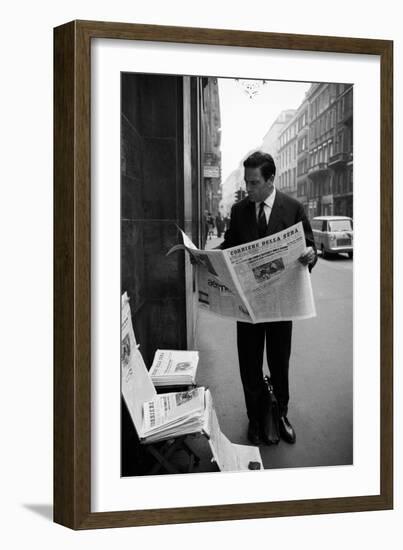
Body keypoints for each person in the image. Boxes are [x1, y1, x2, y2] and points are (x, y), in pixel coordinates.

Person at [220, 151, 317, 446]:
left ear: (270, 179)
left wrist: (311, 256)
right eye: (247, 183)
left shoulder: (293, 208)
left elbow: (310, 246)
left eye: (253, 182)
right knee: (249, 365)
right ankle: (254, 419)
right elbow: (229, 245)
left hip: (281, 304)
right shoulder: (239, 211)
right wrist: (208, 258)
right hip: (247, 305)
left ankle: (280, 414)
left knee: (279, 363)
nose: (248, 189)